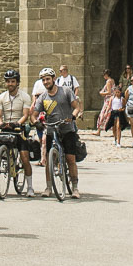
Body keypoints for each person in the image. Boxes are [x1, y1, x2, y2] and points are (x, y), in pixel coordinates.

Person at [35, 68, 83, 198]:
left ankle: (75, 188)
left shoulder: (65, 91)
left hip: (67, 129)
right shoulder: (43, 97)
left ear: (54, 79)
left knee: (70, 158)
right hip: (51, 130)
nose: (46, 82)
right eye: (43, 80)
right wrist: (35, 122)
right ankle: (48, 187)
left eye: (48, 79)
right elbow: (33, 114)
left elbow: (76, 107)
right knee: (49, 159)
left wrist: (73, 116)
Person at [0, 69, 34, 193]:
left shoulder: (25, 97)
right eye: (8, 81)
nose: (10, 84)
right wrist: (1, 124)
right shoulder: (1, 97)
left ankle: (30, 187)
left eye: (12, 81)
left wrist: (18, 123)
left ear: (17, 82)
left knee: (25, 158)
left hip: (18, 128)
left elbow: (25, 115)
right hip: (6, 127)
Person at [95, 70, 114, 135]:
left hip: (108, 100)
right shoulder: (112, 80)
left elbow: (109, 92)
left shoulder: (108, 81)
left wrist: (101, 93)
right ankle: (113, 131)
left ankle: (99, 130)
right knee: (110, 114)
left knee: (103, 114)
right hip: (111, 99)